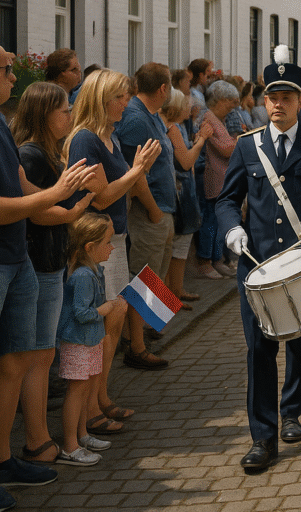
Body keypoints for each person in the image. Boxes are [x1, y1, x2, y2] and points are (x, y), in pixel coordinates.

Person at [216, 48, 301, 472]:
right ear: (265, 100)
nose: (278, 104)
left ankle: (291, 410)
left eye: (287, 97)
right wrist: (231, 229)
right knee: (259, 350)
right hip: (257, 265)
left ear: (300, 100)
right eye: (272, 97)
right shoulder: (248, 146)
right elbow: (227, 200)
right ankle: (263, 437)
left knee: (299, 342)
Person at [0, 43, 97, 509]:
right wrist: (62, 196)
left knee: (19, 360)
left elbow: (23, 189)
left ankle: (3, 459)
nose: (14, 76)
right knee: (17, 361)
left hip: (18, 259)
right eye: (6, 69)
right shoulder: (24, 141)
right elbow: (12, 206)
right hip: (4, 260)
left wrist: (66, 196)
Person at [65, 68, 162, 426]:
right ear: (100, 100)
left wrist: (137, 172)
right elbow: (102, 198)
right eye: (119, 97)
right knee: (100, 327)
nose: (126, 102)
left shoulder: (109, 137)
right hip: (96, 245)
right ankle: (90, 410)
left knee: (115, 321)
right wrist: (137, 171)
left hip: (115, 240)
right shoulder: (86, 139)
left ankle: (101, 397)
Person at [11, 83, 96, 465]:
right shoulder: (30, 154)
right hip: (40, 264)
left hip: (50, 261)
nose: (70, 115)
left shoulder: (46, 151)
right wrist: (75, 210)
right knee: (38, 354)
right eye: (64, 109)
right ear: (44, 114)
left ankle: (47, 437)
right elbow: (34, 211)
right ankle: (40, 440)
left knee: (43, 354)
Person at [116, 62, 176, 370]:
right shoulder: (136, 119)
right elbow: (135, 174)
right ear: (163, 88)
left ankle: (147, 330)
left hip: (161, 208)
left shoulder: (149, 115)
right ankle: (135, 346)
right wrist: (153, 209)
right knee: (143, 276)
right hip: (148, 211)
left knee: (154, 275)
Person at [57, 213, 128, 466]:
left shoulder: (95, 271)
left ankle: (82, 436)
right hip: (79, 342)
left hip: (90, 341)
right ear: (89, 247)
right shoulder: (84, 276)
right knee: (76, 392)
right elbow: (81, 313)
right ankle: (70, 446)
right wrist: (105, 309)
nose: (112, 248)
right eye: (107, 242)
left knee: (85, 389)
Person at [161, 88, 212, 304]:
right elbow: (186, 161)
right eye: (186, 105)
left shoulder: (178, 126)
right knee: (175, 248)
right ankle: (170, 296)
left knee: (178, 248)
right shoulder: (172, 128)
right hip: (179, 194)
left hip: (181, 191)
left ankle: (175, 291)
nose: (190, 108)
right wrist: (201, 141)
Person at [196, 80, 240, 279]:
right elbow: (226, 148)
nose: (233, 106)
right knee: (210, 222)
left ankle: (217, 259)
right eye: (230, 101)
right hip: (212, 179)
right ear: (220, 100)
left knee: (218, 222)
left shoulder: (217, 119)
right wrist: (240, 141)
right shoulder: (208, 118)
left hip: (221, 179)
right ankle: (206, 262)